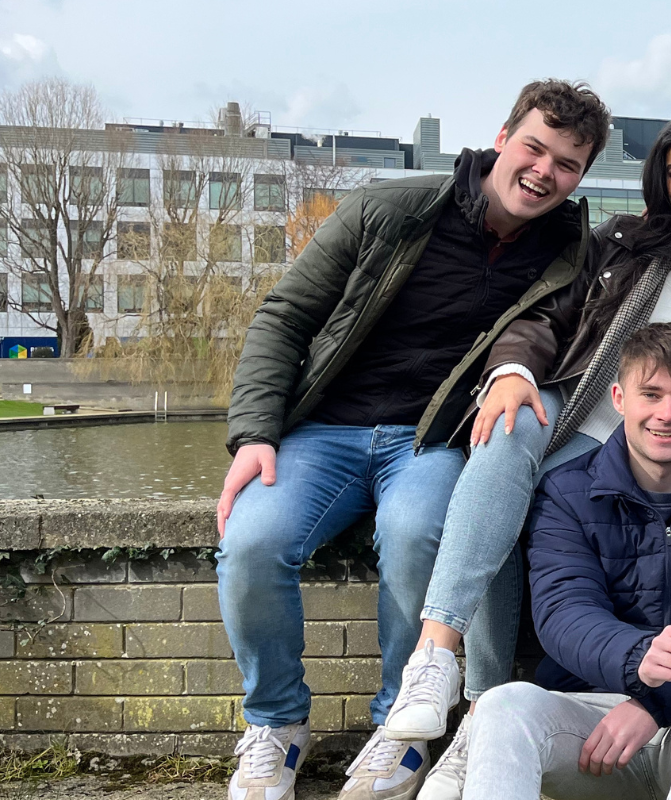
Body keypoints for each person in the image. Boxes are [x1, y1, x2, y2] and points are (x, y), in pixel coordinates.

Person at [377, 115, 671, 797]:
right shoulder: (624, 243)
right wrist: (512, 369)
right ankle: (456, 673)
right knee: (506, 451)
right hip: (587, 422)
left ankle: (482, 711)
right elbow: (543, 317)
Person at [215, 79, 610, 800]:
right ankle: (275, 722)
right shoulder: (391, 210)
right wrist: (255, 434)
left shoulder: (567, 253)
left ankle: (398, 731)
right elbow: (285, 315)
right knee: (250, 543)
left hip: (429, 441)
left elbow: (552, 339)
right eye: (535, 148)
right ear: (502, 137)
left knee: (418, 537)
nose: (544, 171)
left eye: (567, 164)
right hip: (323, 430)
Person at [461, 323, 671, 799]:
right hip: (590, 720)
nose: (667, 413)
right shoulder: (567, 490)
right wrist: (638, 660)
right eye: (650, 394)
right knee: (503, 705)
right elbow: (563, 612)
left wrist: (654, 703)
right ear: (618, 398)